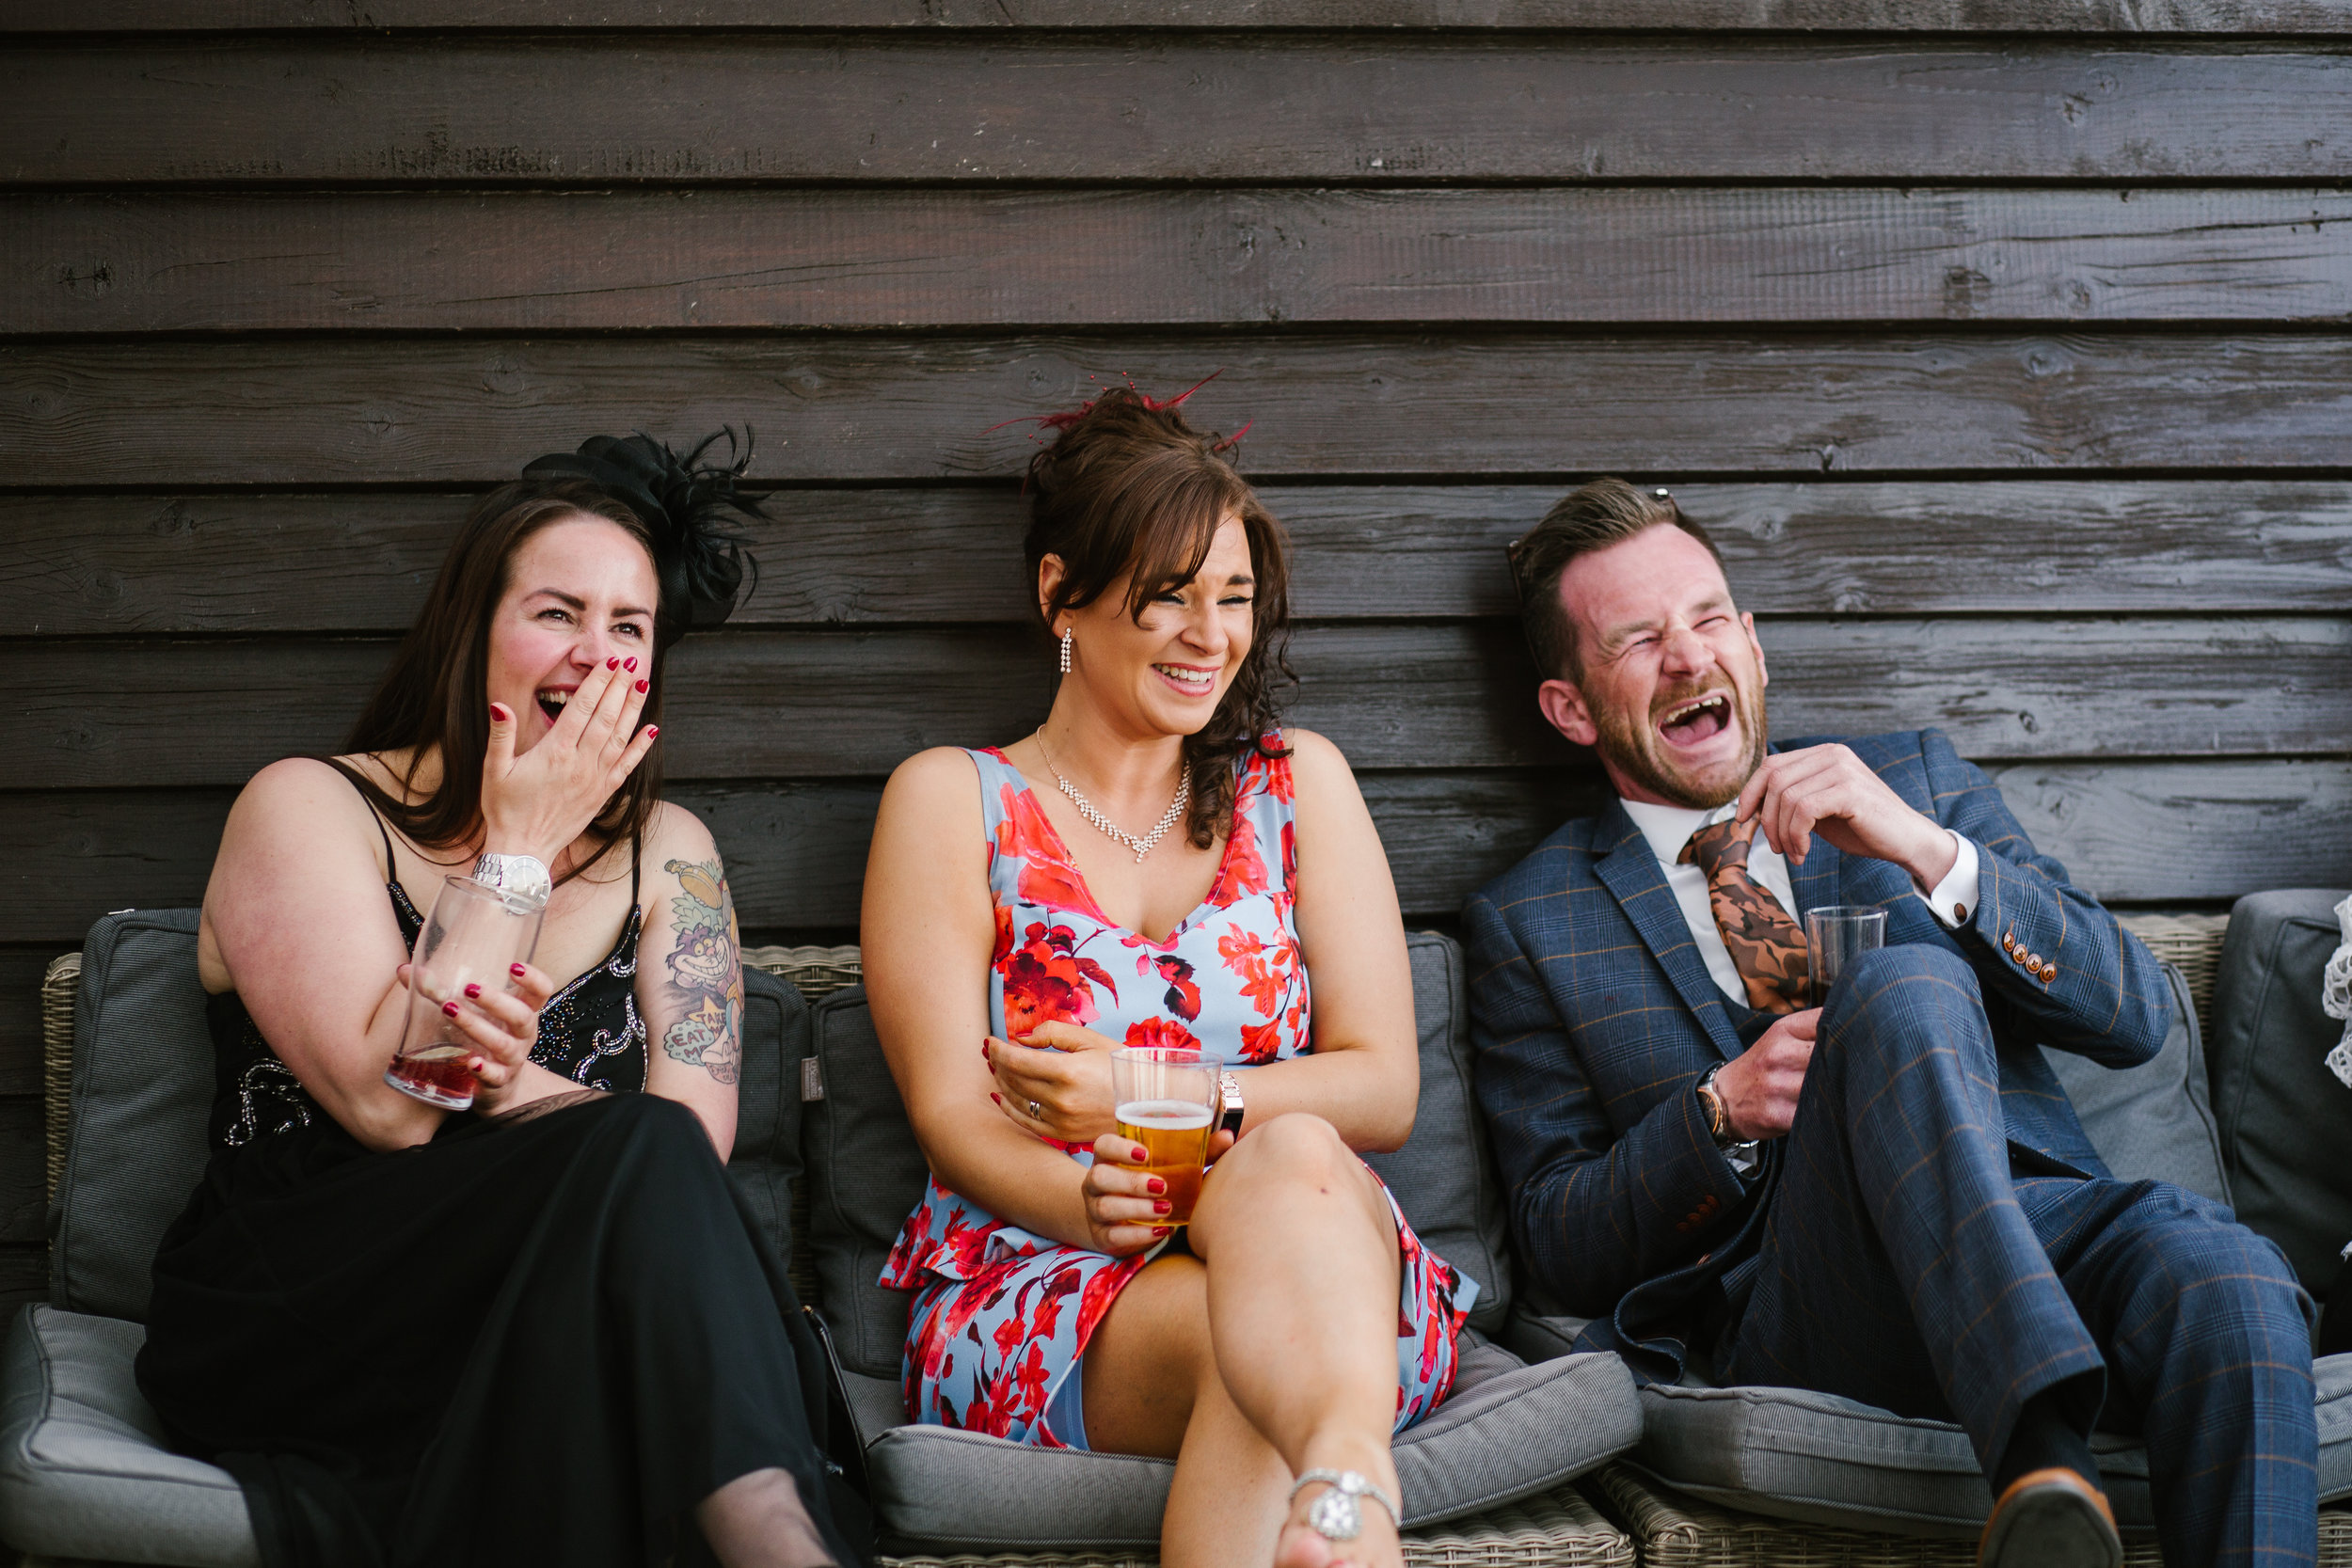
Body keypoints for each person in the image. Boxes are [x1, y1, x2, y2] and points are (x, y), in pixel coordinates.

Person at [1463, 479, 2317, 1568]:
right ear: (1572, 707)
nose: (1687, 657)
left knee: (2229, 1277)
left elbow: (2136, 1014)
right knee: (1900, 984)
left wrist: (1926, 848)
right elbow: (1554, 1238)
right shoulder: (1532, 917)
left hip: (2034, 1218)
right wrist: (1716, 1113)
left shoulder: (1913, 780)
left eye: (1709, 617)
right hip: (1803, 1295)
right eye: (1637, 639)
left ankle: (2047, 1461)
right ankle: (2041, 1457)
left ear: (1754, 647)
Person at [135, 434, 866, 1568]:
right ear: (472, 627)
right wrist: (516, 848)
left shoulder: (672, 857)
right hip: (308, 1288)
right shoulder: (308, 806)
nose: (596, 652)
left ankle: (778, 1542)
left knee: (652, 1155)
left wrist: (503, 1072)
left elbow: (690, 1140)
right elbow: (392, 1109)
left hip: (548, 1299)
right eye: (558, 612)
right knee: (634, 1155)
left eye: (629, 627)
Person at [860, 388, 1473, 1568]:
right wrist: (1083, 1200)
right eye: (1171, 594)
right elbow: (947, 1110)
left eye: (1234, 597)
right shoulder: (953, 800)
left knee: (1290, 1165)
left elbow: (1383, 1086)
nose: (1211, 634)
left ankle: (1344, 1472)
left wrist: (1176, 1090)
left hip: (1311, 1237)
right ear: (1060, 596)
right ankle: (1351, 1490)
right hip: (1060, 1267)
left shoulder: (1297, 784)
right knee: (1248, 1342)